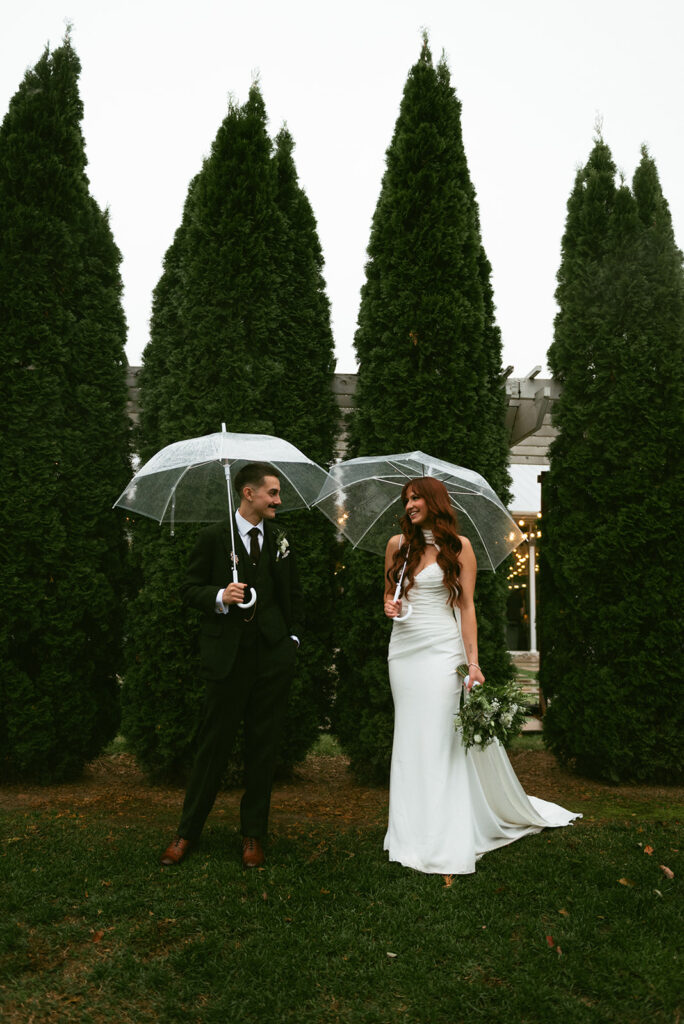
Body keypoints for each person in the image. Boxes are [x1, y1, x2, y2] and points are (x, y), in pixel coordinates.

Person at [382, 476, 579, 875]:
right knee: (410, 735)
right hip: (403, 652)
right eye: (406, 499)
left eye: (416, 497)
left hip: (441, 650)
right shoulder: (397, 547)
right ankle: (408, 828)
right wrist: (391, 605)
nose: (410, 505)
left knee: (441, 738)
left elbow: (466, 607)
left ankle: (442, 830)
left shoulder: (460, 548)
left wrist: (472, 662)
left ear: (435, 501)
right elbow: (391, 597)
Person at [160, 462, 302, 869]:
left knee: (263, 749)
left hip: (271, 657)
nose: (278, 500)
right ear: (248, 493)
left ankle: (253, 836)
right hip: (226, 660)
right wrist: (221, 596)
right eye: (272, 493)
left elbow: (293, 593)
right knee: (212, 748)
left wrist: (291, 640)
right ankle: (186, 832)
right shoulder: (213, 537)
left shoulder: (280, 538)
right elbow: (188, 588)